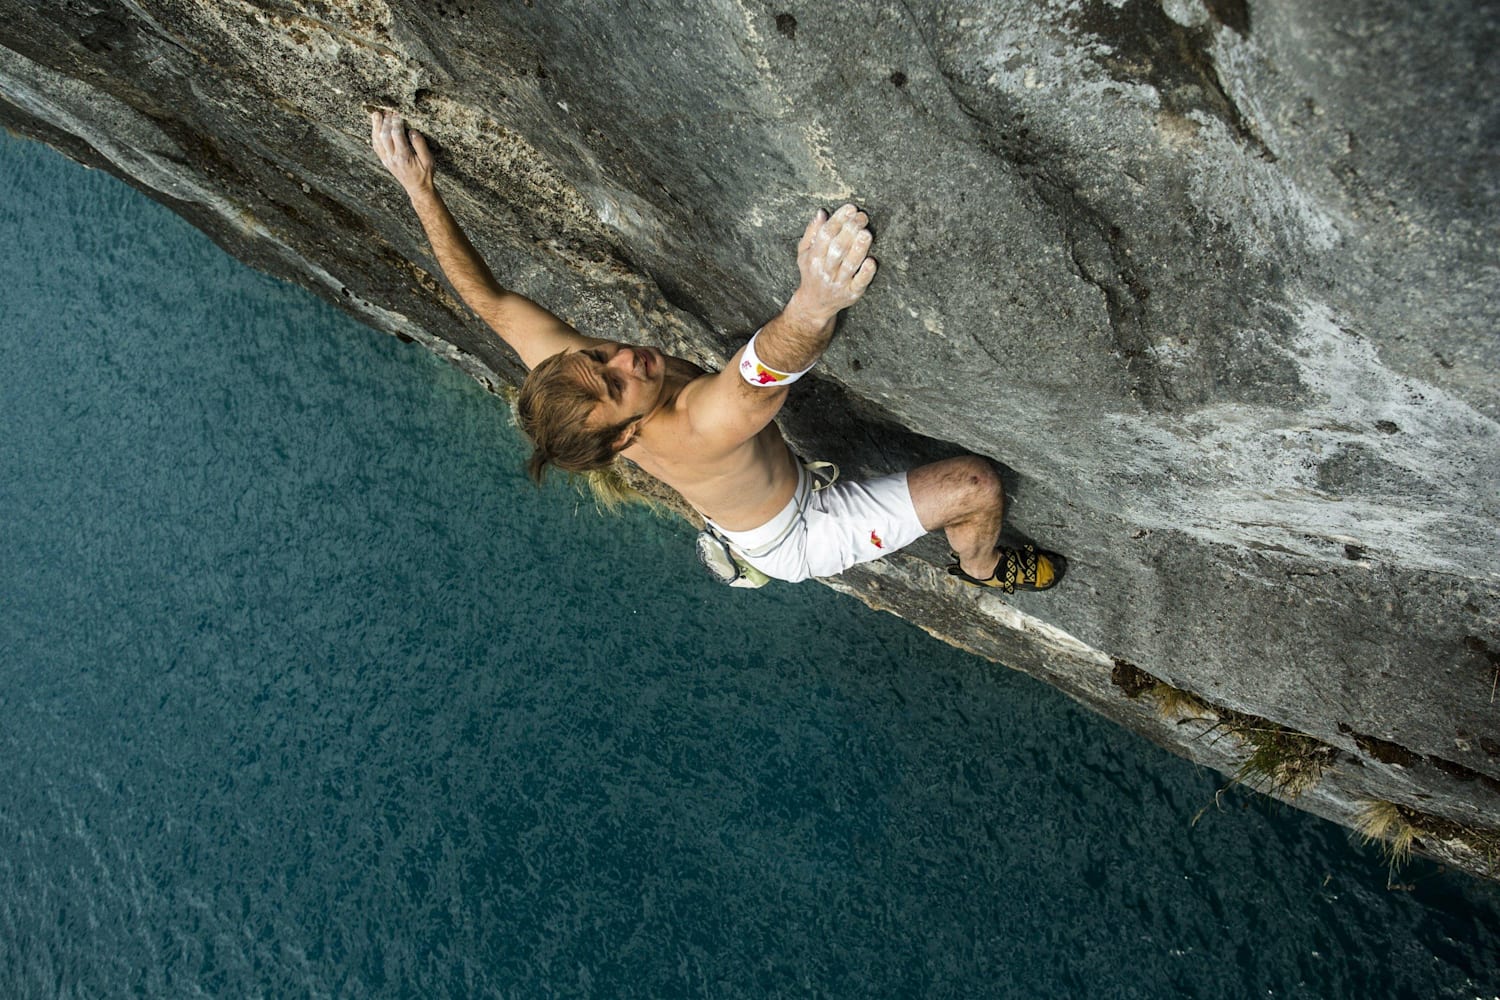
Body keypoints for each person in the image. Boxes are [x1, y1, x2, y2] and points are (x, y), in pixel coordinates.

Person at [370, 111, 1061, 591]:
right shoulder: (698, 425)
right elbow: (762, 373)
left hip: (742, 497)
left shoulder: (577, 389)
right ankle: (980, 570)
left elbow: (490, 303)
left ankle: (730, 540)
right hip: (801, 533)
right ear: (626, 436)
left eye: (600, 355)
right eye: (616, 384)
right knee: (976, 488)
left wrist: (418, 188)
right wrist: (814, 300)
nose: (625, 358)